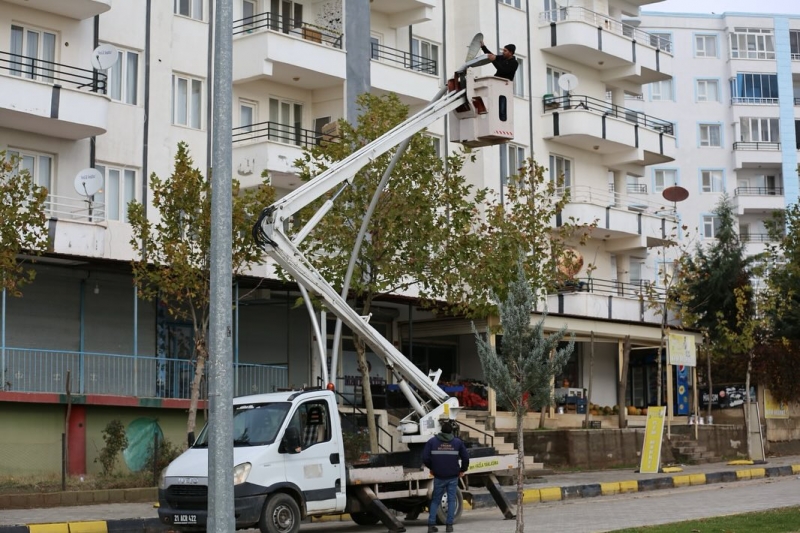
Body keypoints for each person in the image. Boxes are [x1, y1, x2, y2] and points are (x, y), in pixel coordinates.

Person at [422, 420, 469, 533]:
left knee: (435, 500)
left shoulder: (432, 442)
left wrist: (432, 468)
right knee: (451, 500)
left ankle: (431, 525)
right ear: (451, 431)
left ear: (441, 431)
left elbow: (425, 458)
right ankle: (449, 526)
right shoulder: (457, 442)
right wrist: (462, 470)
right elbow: (466, 458)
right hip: (453, 476)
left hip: (438, 476)